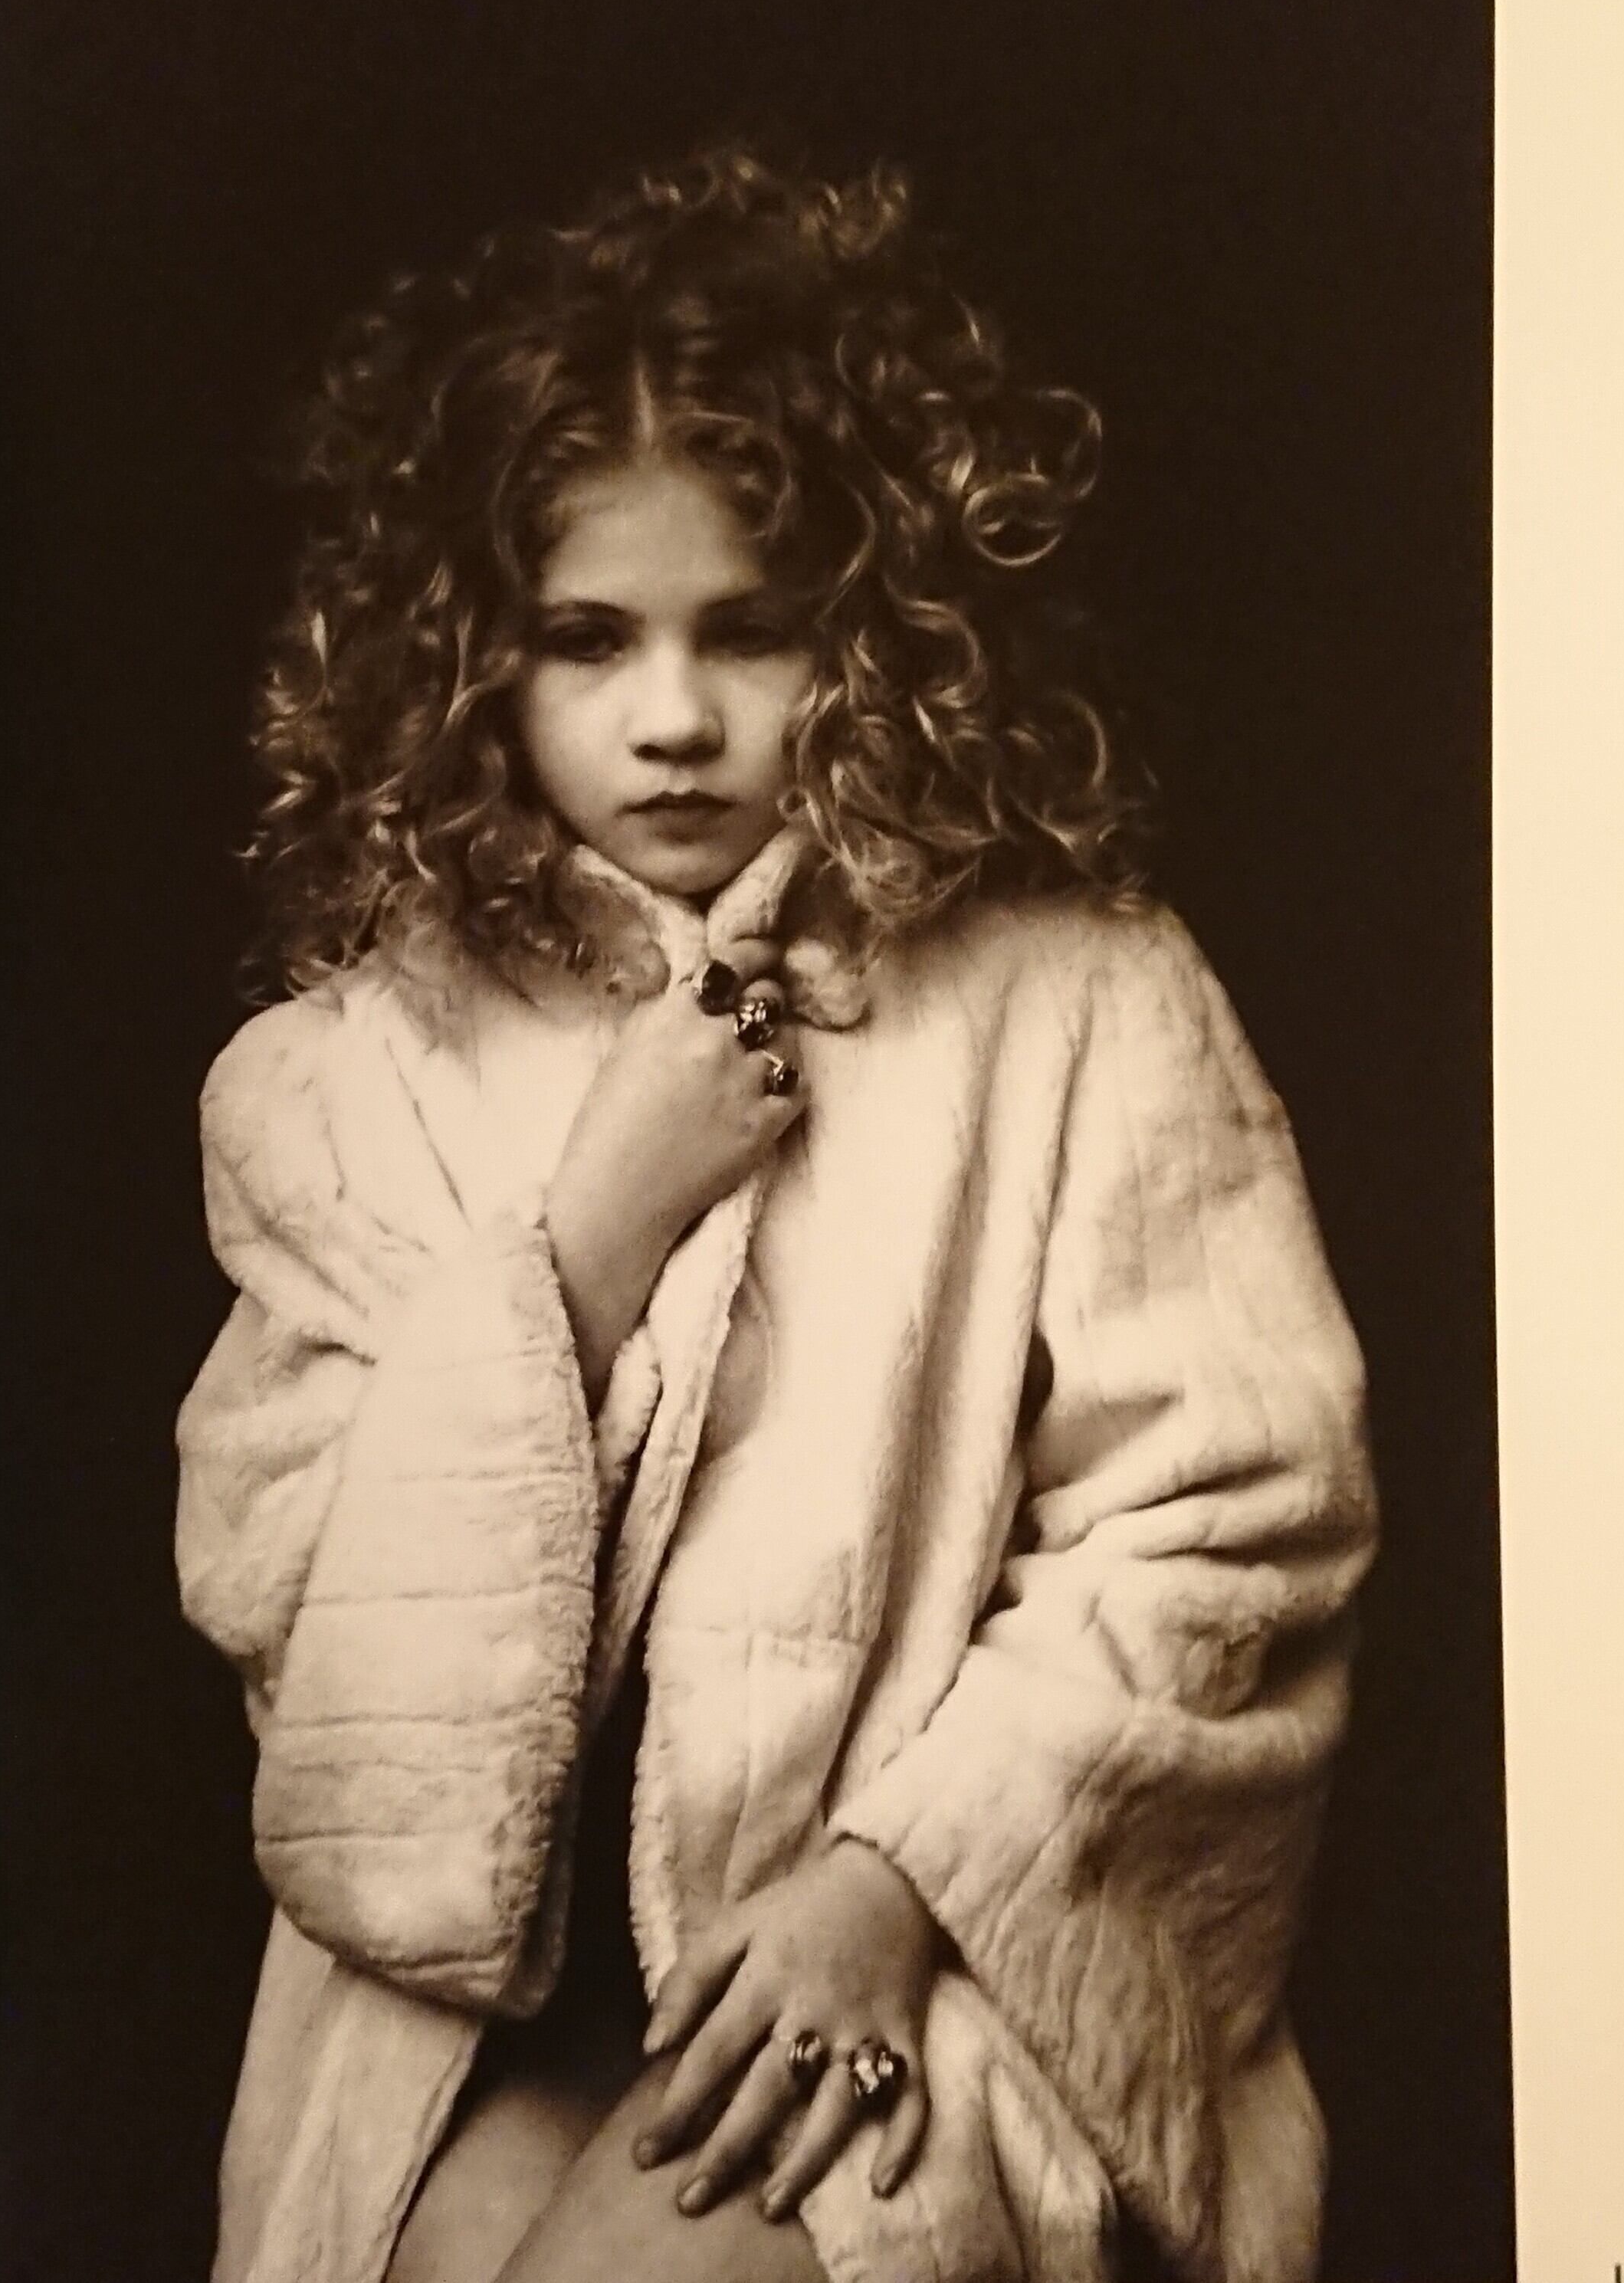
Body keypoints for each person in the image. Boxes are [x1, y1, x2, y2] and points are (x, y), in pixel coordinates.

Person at [176, 145, 1375, 2283]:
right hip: (468, 2021)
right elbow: (318, 1673)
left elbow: (1230, 1535)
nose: (672, 719)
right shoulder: (332, 1087)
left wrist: (896, 1881)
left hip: (925, 1958)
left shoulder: (1078, 1001)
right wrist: (582, 1245)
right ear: (467, 660)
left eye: (750, 629)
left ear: (881, 631)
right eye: (585, 638)